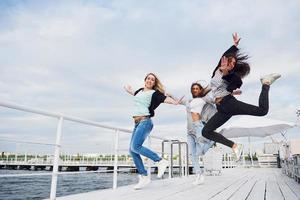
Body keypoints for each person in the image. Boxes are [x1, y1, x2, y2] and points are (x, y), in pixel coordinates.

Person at [202, 33, 281, 160]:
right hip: (222, 109)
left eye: (234, 63)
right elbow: (224, 56)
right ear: (225, 60)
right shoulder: (217, 71)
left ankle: (266, 83)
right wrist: (234, 46)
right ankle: (234, 146)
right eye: (231, 62)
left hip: (229, 104)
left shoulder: (232, 75)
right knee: (206, 131)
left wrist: (227, 73)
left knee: (262, 111)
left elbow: (237, 83)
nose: (233, 64)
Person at [124, 72, 183, 190]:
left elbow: (165, 99)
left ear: (154, 83)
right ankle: (144, 176)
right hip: (137, 123)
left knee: (136, 146)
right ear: (145, 80)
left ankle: (160, 161)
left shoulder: (154, 93)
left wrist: (175, 102)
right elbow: (136, 95)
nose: (150, 81)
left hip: (145, 121)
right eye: (148, 78)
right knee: (132, 150)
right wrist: (128, 90)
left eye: (152, 80)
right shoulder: (140, 91)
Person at [184, 81, 217, 185]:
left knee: (200, 152)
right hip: (189, 132)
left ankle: (212, 140)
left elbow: (215, 100)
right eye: (193, 88)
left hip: (198, 128)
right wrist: (169, 95)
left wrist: (230, 94)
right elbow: (178, 101)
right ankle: (199, 175)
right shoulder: (189, 101)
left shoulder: (204, 99)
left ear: (200, 90)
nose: (195, 90)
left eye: (197, 88)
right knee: (192, 155)